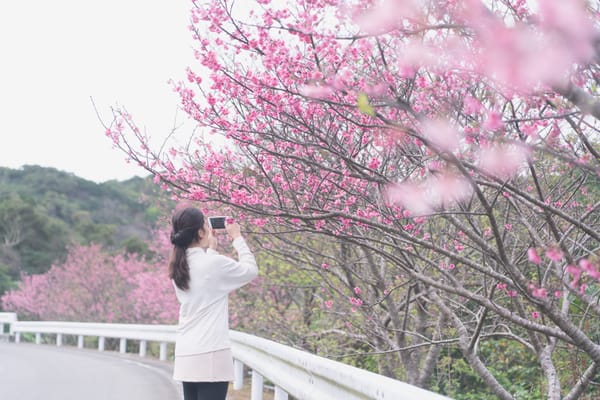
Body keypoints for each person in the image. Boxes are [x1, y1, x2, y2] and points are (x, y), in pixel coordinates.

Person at [169, 207, 258, 400]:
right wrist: (237, 238)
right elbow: (251, 270)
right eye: (204, 226)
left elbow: (204, 279)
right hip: (210, 350)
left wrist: (211, 251)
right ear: (201, 232)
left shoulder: (178, 267)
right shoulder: (213, 264)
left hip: (186, 351)